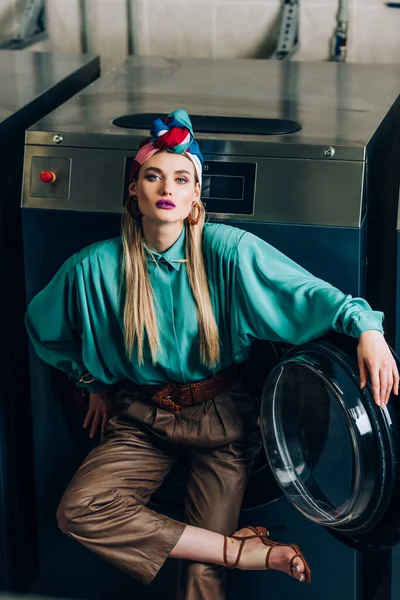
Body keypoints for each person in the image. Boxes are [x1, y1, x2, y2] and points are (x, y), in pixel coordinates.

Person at [25, 109, 399, 600]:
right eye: (153, 176)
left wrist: (367, 328)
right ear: (133, 189)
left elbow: (308, 295)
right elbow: (43, 326)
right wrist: (89, 382)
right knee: (81, 508)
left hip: (222, 423)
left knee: (202, 577)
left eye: (182, 179)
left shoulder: (228, 252)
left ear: (196, 194)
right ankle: (242, 550)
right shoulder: (94, 268)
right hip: (140, 416)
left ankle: (222, 553)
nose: (167, 188)